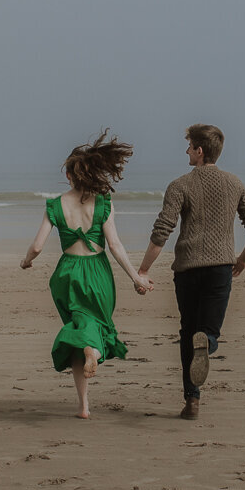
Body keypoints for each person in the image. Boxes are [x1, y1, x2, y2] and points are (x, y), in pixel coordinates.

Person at [21, 132, 152, 419]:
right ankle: (93, 350)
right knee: (91, 325)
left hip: (68, 273)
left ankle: (83, 405)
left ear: (68, 175)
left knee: (79, 329)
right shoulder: (104, 203)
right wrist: (135, 277)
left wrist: (26, 261)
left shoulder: (55, 205)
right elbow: (115, 245)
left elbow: (37, 246)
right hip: (98, 272)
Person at [137, 123, 245, 420]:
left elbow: (161, 233)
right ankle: (210, 342)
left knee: (187, 332)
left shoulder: (179, 185)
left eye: (189, 146)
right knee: (208, 333)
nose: (186, 151)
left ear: (200, 151)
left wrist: (142, 270)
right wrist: (242, 259)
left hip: (187, 271)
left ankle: (192, 402)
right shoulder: (234, 183)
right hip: (220, 268)